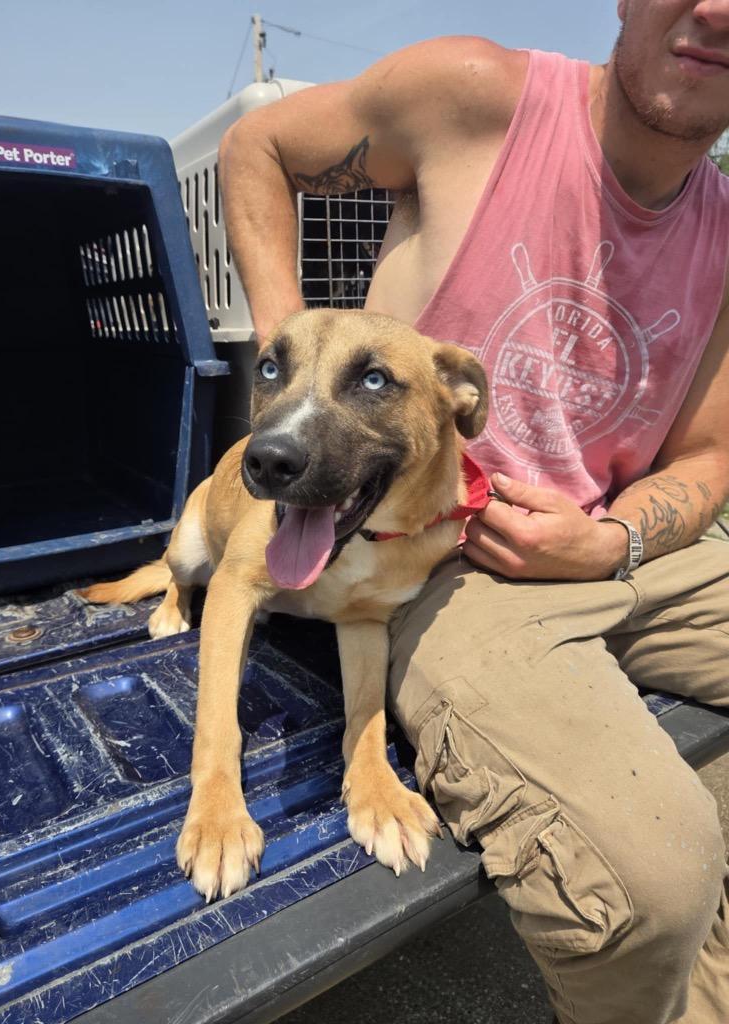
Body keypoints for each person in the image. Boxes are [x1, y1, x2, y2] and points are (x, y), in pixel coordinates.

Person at [218, 2, 729, 1021]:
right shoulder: (474, 96)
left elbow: (712, 456)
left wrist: (615, 537)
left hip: (617, 547)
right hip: (444, 556)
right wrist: (294, 378)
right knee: (647, 887)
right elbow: (256, 145)